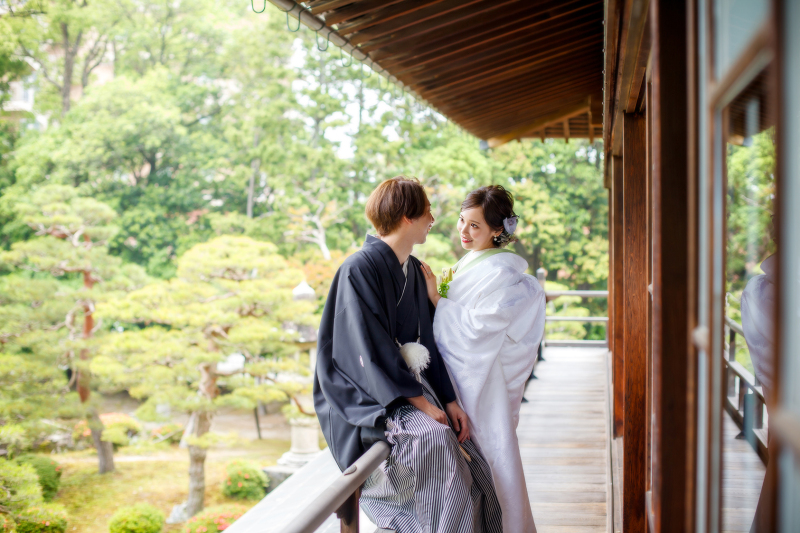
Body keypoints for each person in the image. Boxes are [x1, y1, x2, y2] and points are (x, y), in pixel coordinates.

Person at [313, 176, 502, 533]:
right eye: (427, 212)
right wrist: (421, 403)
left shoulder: (414, 271)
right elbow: (366, 349)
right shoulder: (357, 269)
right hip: (370, 391)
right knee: (432, 439)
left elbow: (428, 340)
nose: (432, 220)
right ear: (406, 217)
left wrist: (448, 400)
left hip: (405, 384)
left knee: (473, 459)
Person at [420, 185, 545, 533]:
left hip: (483, 380)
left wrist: (436, 300)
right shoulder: (473, 264)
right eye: (462, 221)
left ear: (497, 230)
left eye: (475, 226)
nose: (463, 231)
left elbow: (479, 330)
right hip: (470, 375)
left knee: (493, 459)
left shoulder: (501, 273)